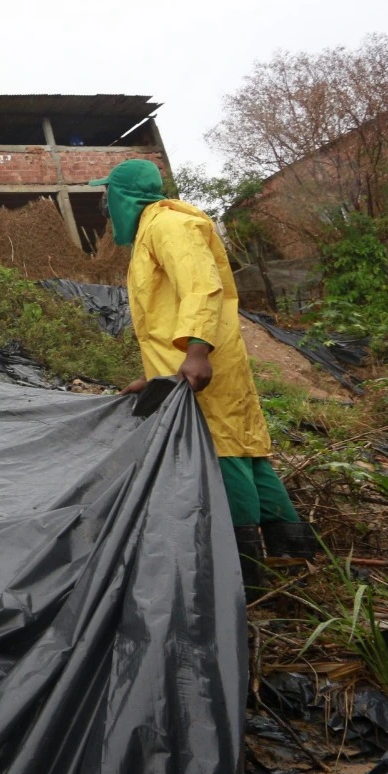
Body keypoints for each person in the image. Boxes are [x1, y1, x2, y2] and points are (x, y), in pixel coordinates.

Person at [98, 159, 318, 585]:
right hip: (196, 362)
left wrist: (197, 352)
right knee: (246, 450)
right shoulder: (155, 230)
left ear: (124, 196)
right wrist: (154, 377)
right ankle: (294, 552)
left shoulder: (167, 226)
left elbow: (201, 286)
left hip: (204, 361)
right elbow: (168, 313)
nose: (104, 205)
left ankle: (246, 568)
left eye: (107, 195)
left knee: (224, 453)